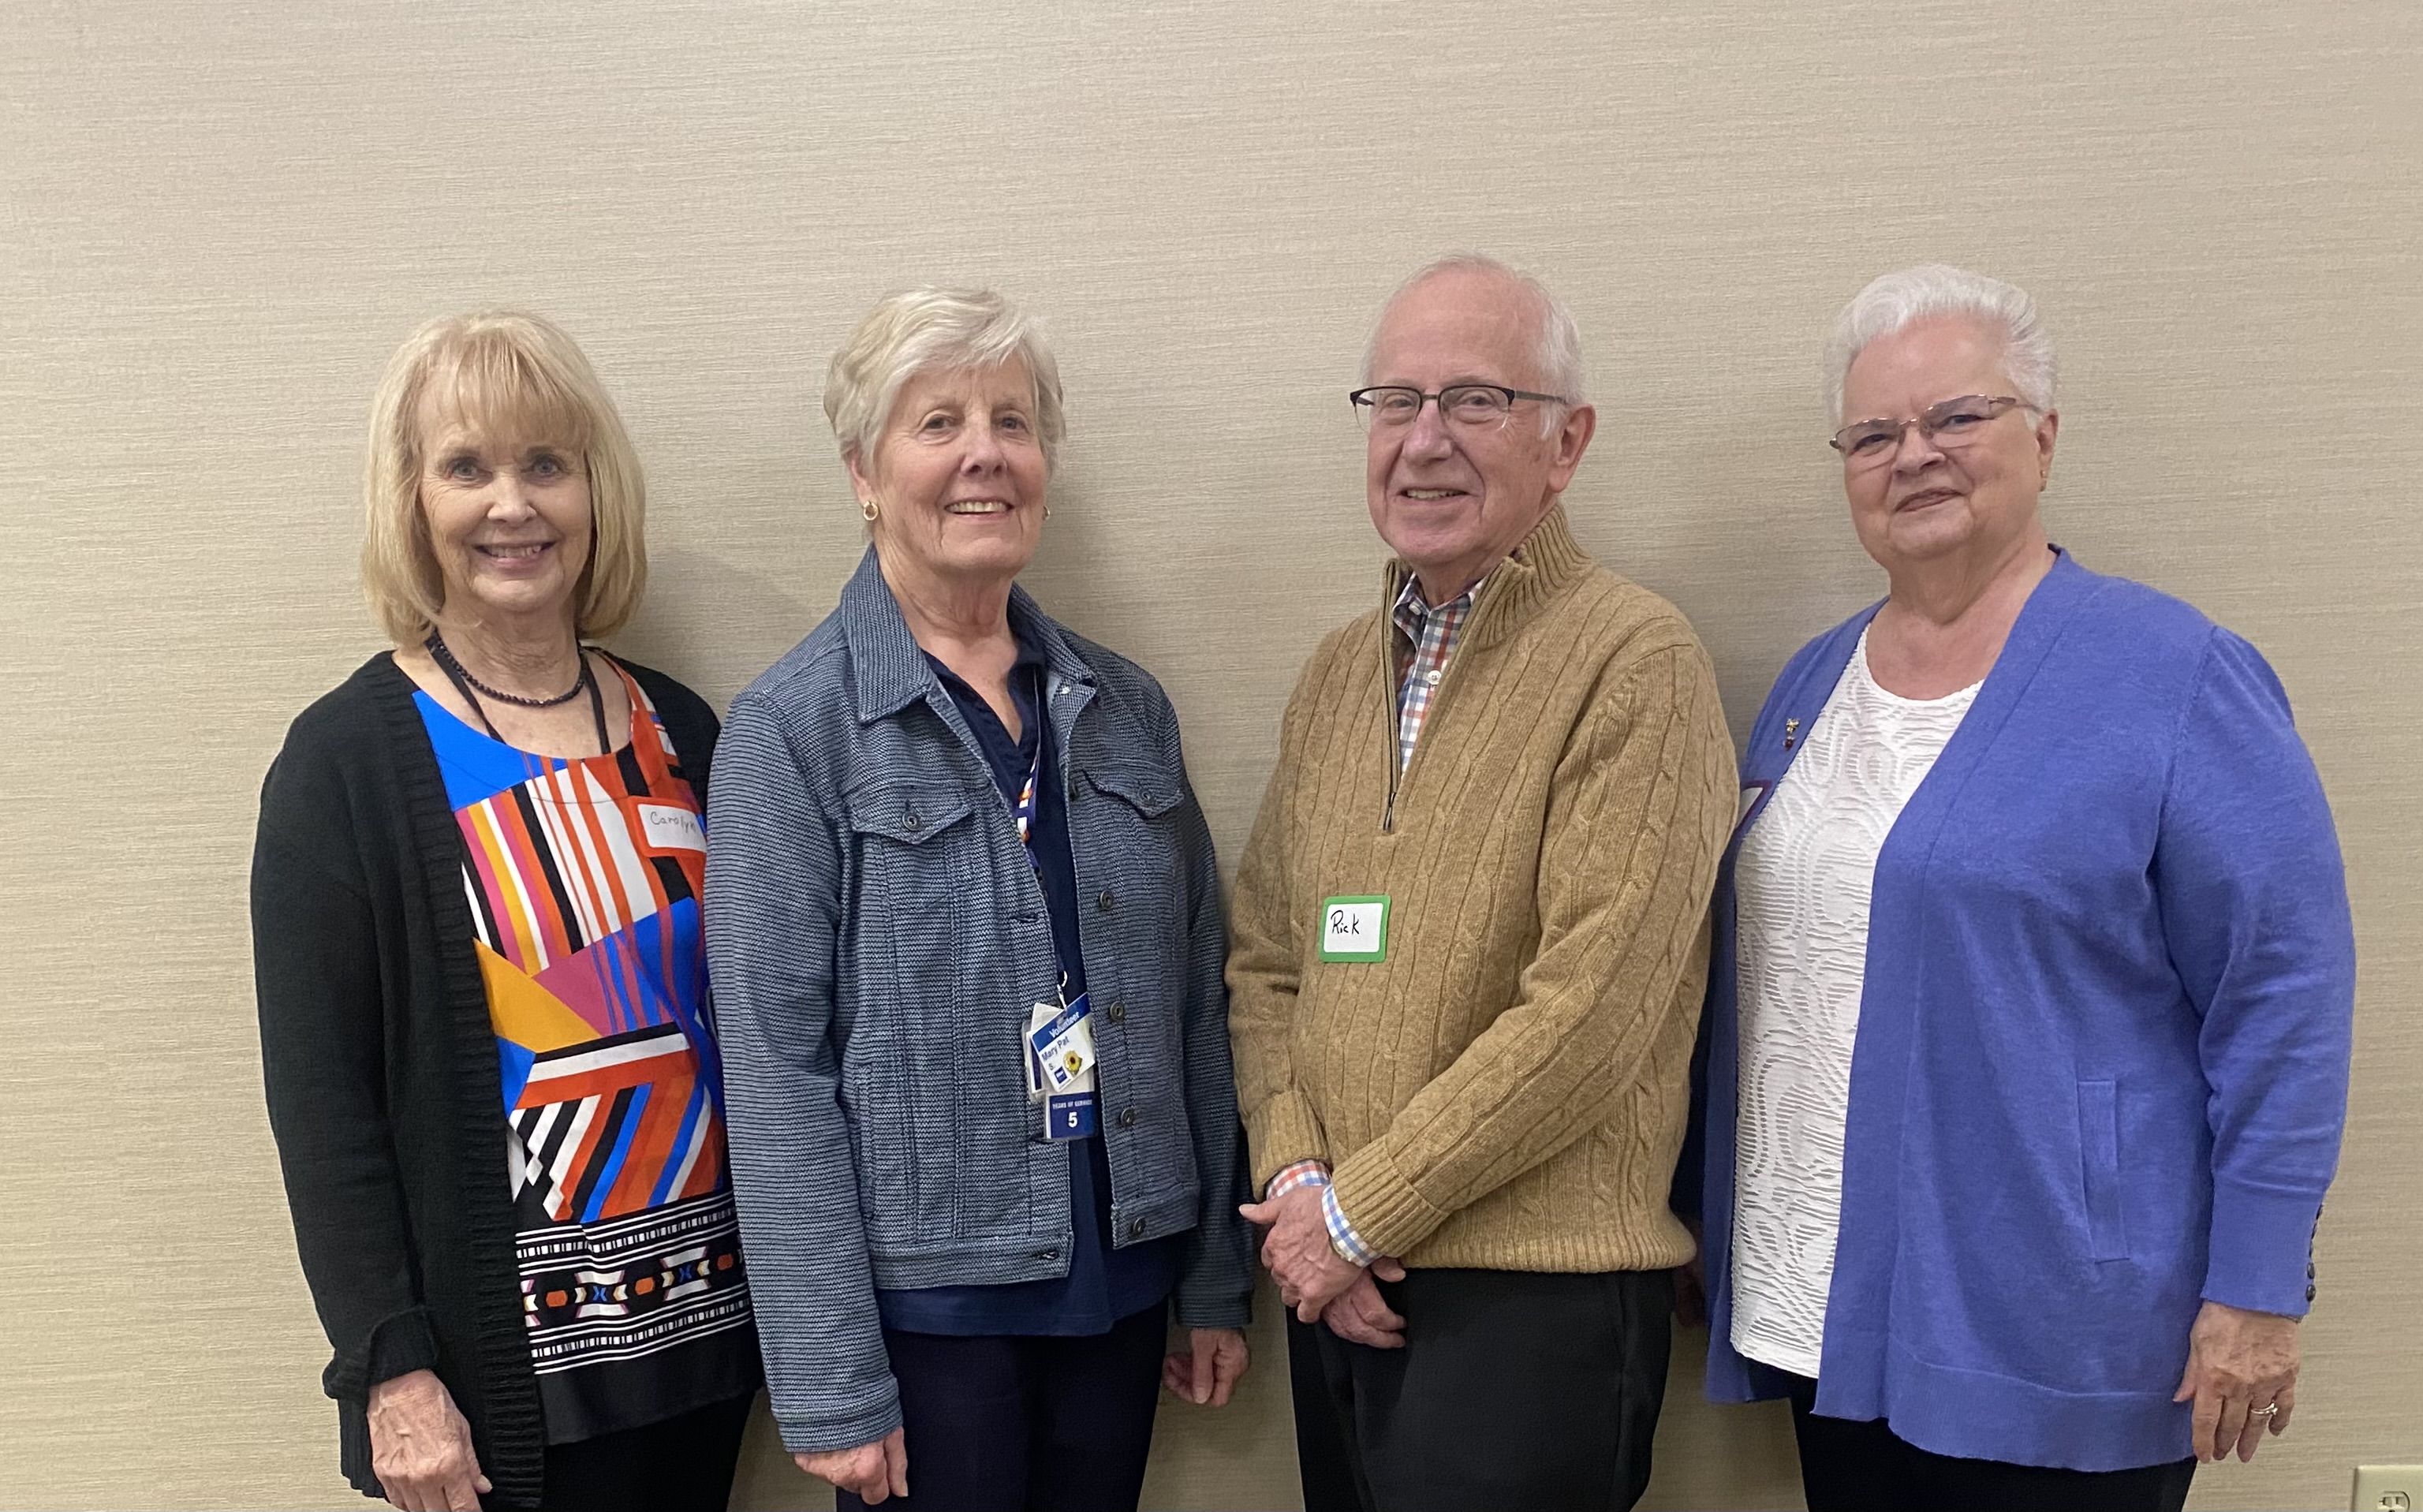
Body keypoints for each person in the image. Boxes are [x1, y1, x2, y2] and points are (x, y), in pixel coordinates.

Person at [1685, 264, 2356, 1512]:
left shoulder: (2176, 675)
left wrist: (2260, 1289)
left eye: (1958, 418)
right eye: (1874, 433)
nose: (1915, 455)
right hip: (1823, 1305)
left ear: (2043, 435)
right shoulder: (1810, 684)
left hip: (2059, 1317)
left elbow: (2286, 996)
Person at [704, 287, 1255, 1512]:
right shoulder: (792, 731)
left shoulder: (1125, 707)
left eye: (1013, 419)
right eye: (937, 421)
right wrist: (830, 1377)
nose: (983, 453)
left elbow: (1195, 1004)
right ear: (862, 470)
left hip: (1123, 1279)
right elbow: (776, 1068)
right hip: (923, 1318)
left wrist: (1214, 1272)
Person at [1225, 255, 1738, 1512]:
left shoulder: (1638, 660)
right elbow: (1267, 958)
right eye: (1393, 402)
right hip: (1333, 1286)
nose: (1424, 441)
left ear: (1568, 443)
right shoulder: (1338, 673)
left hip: (1533, 1304)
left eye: (1476, 400)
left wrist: (1357, 1215)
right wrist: (1300, 1187)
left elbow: (1594, 1014)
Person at [251, 312, 760, 1512]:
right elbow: (322, 1104)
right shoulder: (347, 764)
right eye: (466, 466)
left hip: (706, 1338)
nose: (511, 505)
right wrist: (394, 1368)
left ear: (595, 491)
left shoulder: (682, 731)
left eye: (546, 464)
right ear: (412, 500)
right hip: (503, 1381)